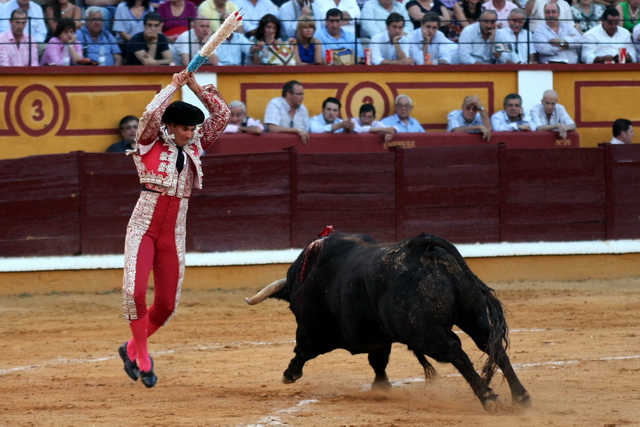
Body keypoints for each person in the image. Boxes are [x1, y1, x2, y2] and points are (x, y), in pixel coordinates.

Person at [118, 70, 230, 388]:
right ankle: (143, 356)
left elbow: (221, 115)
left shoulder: (194, 145)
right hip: (144, 226)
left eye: (193, 127)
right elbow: (151, 113)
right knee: (135, 294)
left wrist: (194, 87)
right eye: (184, 127)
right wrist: (173, 86)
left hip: (174, 232)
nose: (191, 132)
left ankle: (129, 349)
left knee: (166, 305)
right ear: (169, 127)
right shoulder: (147, 141)